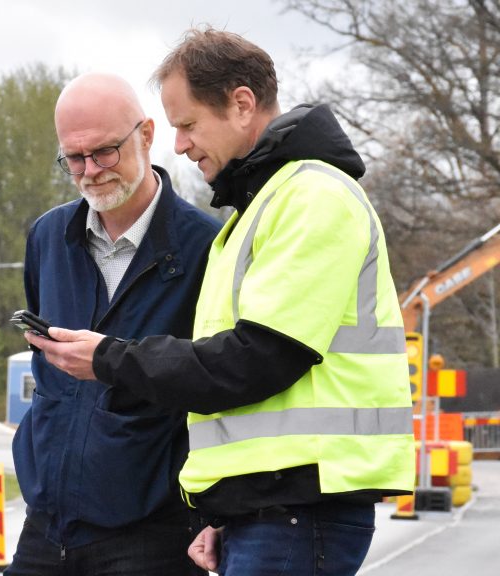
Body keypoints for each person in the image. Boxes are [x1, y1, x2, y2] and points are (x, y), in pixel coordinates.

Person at [25, 28, 416, 576]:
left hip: (300, 504)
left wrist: (108, 358)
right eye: (74, 158)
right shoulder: (253, 213)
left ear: (240, 104)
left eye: (187, 125)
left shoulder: (311, 196)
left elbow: (255, 360)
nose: (181, 145)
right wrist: (219, 510)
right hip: (269, 507)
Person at [6, 72, 220, 576]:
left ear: (147, 135)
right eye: (74, 159)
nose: (91, 171)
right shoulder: (46, 237)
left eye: (104, 152)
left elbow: (215, 384)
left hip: (151, 529)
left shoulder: (207, 248)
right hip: (48, 521)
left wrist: (213, 511)